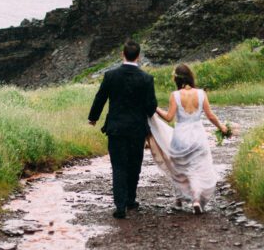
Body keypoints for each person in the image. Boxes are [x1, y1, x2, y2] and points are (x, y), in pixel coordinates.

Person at [88, 40, 158, 219]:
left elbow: (100, 97)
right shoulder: (146, 78)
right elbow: (151, 107)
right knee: (134, 165)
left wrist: (93, 118)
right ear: (139, 56)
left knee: (118, 167)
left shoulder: (111, 75)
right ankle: (130, 200)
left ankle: (120, 207)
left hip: (116, 128)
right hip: (137, 129)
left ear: (123, 54)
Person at [149, 64, 229, 214]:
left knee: (179, 169)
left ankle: (179, 200)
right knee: (197, 168)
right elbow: (210, 115)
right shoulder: (201, 93)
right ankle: (197, 200)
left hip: (181, 135)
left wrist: (155, 108)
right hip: (198, 135)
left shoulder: (175, 95)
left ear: (177, 79)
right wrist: (222, 127)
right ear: (190, 76)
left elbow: (169, 117)